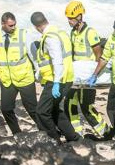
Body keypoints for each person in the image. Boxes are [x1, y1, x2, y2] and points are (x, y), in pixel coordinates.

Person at [0, 12, 41, 135]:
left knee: (32, 110)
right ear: (3, 24)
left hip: (25, 78)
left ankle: (47, 131)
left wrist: (38, 71)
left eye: (14, 24)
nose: (13, 27)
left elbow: (34, 55)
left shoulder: (23, 35)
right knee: (6, 109)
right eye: (10, 25)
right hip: (7, 80)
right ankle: (17, 134)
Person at [65, 0, 112, 139]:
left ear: (79, 17)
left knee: (86, 106)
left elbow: (99, 55)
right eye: (68, 18)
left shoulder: (90, 33)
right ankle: (76, 133)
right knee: (70, 103)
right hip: (77, 75)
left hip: (89, 76)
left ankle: (106, 132)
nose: (69, 21)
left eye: (71, 18)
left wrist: (95, 75)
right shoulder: (73, 33)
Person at [31, 12, 80, 143]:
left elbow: (57, 60)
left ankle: (53, 140)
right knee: (54, 110)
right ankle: (74, 138)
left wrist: (57, 82)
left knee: (41, 112)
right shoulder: (60, 32)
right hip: (66, 78)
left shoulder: (50, 37)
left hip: (57, 81)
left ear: (36, 27)